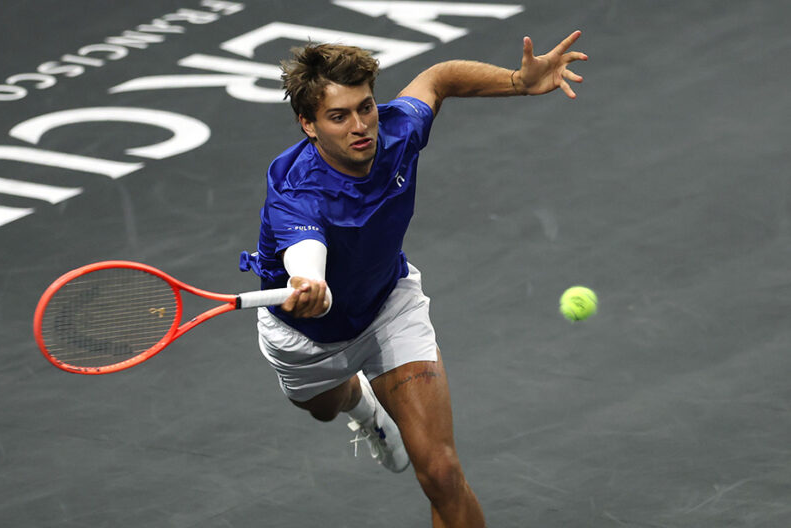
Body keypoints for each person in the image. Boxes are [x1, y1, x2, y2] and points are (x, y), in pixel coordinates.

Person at [239, 30, 587, 528]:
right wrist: (308, 281)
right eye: (338, 116)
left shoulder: (397, 130)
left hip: (388, 307)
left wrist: (517, 80)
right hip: (304, 339)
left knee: (441, 472)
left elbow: (438, 78)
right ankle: (359, 402)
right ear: (308, 125)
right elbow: (305, 250)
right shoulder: (295, 190)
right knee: (324, 404)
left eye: (365, 107)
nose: (360, 126)